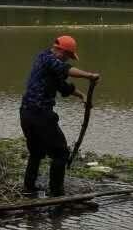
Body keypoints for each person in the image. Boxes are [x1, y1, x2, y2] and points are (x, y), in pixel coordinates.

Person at [19, 34, 99, 198]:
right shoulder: (46, 59)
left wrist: (82, 95)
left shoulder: (51, 66)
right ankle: (57, 194)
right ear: (59, 50)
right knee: (61, 153)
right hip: (40, 114)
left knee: (36, 152)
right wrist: (89, 76)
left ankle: (29, 188)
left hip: (26, 113)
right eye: (67, 56)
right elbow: (66, 70)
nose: (67, 60)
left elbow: (64, 87)